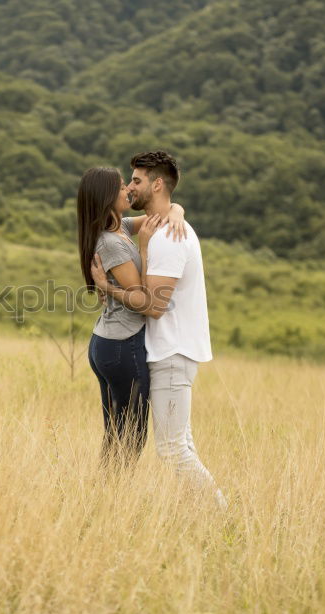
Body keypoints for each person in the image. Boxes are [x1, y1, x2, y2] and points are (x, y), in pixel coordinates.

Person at [91, 151, 226, 508]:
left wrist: (109, 289)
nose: (130, 186)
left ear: (157, 183)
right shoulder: (161, 225)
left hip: (171, 353)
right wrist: (175, 209)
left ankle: (221, 514)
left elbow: (153, 305)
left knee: (172, 449)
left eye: (136, 180)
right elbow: (129, 225)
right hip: (167, 351)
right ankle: (209, 517)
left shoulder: (167, 239)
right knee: (180, 444)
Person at [76, 166, 185, 470]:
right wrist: (145, 248)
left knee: (116, 434)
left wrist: (176, 212)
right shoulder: (110, 243)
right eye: (123, 186)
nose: (128, 191)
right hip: (123, 347)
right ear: (107, 196)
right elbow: (142, 299)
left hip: (108, 343)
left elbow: (162, 211)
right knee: (132, 437)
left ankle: (102, 499)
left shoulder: (119, 227)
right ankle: (112, 501)